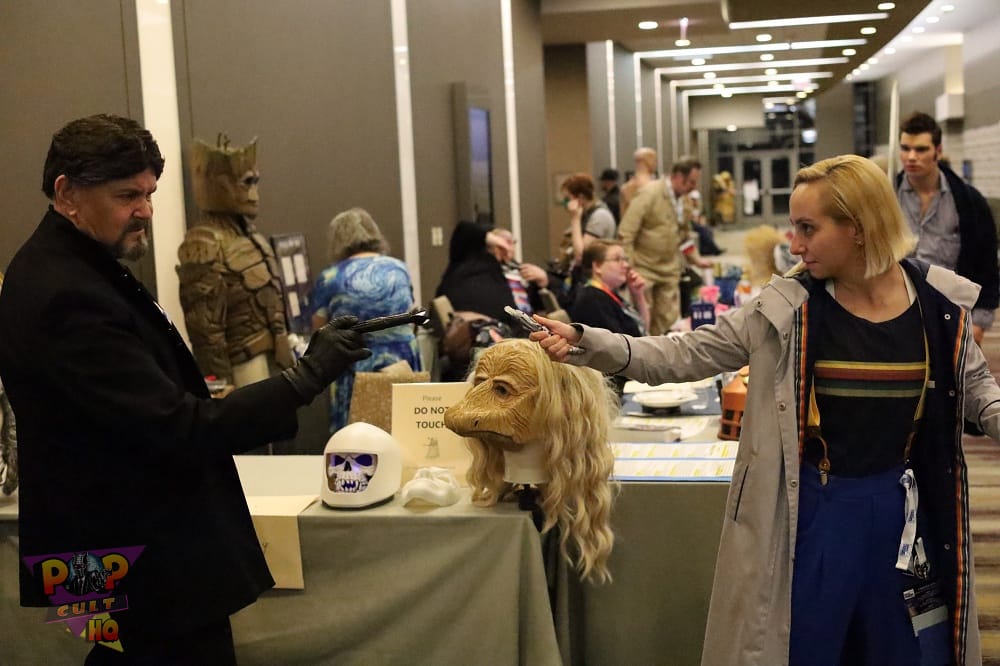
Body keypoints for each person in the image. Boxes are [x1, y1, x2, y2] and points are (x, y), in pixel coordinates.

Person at [530, 154, 1000, 665]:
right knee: (807, 648)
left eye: (808, 228)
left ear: (859, 228)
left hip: (903, 517)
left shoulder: (936, 306)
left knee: (905, 652)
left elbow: (979, 392)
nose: (793, 245)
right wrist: (586, 341)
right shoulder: (789, 307)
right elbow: (685, 353)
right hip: (819, 516)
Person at [0, 114, 370, 664]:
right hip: (130, 554)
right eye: (128, 196)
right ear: (67, 193)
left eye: (149, 194)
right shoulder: (65, 291)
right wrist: (305, 379)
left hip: (118, 549)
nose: (146, 210)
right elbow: (178, 426)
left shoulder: (75, 264)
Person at [177, 135, 293, 388]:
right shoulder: (204, 242)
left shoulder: (251, 237)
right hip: (245, 365)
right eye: (246, 182)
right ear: (221, 186)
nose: (253, 194)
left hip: (276, 359)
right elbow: (206, 331)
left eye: (255, 181)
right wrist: (222, 390)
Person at [311, 208, 422, 432]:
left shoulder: (331, 277)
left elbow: (320, 332)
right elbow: (410, 315)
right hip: (403, 361)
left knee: (356, 435)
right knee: (406, 428)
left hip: (354, 365)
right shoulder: (398, 268)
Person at [895, 111, 999, 346]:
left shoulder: (969, 202)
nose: (911, 157)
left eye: (921, 149)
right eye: (905, 148)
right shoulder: (886, 198)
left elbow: (986, 264)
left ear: (938, 151)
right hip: (896, 315)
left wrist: (979, 323)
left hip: (950, 316)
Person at [618, 156, 712, 335]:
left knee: (668, 323)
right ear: (678, 176)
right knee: (644, 323)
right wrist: (628, 266)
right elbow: (626, 232)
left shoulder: (684, 201)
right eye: (691, 182)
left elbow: (684, 236)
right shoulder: (649, 194)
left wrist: (696, 260)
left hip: (669, 271)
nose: (694, 187)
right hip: (644, 269)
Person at [435, 220, 517, 322]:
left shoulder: (517, 270)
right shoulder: (467, 256)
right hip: (463, 322)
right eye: (504, 240)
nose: (507, 245)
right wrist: (498, 241)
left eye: (511, 242)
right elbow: (464, 228)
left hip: (505, 325)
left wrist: (538, 278)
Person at [570, 240, 648, 337]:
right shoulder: (593, 299)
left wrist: (639, 295)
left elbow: (643, 329)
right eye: (617, 259)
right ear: (597, 266)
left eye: (625, 259)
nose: (626, 265)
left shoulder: (608, 294)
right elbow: (620, 343)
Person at [556, 173, 617, 273]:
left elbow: (581, 256)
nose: (566, 203)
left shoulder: (599, 216)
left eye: (568, 199)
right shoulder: (586, 214)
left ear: (580, 198)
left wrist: (575, 219)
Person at [620, 147, 657, 218]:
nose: (655, 164)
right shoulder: (654, 185)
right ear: (648, 161)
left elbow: (624, 218)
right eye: (655, 160)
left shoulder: (625, 188)